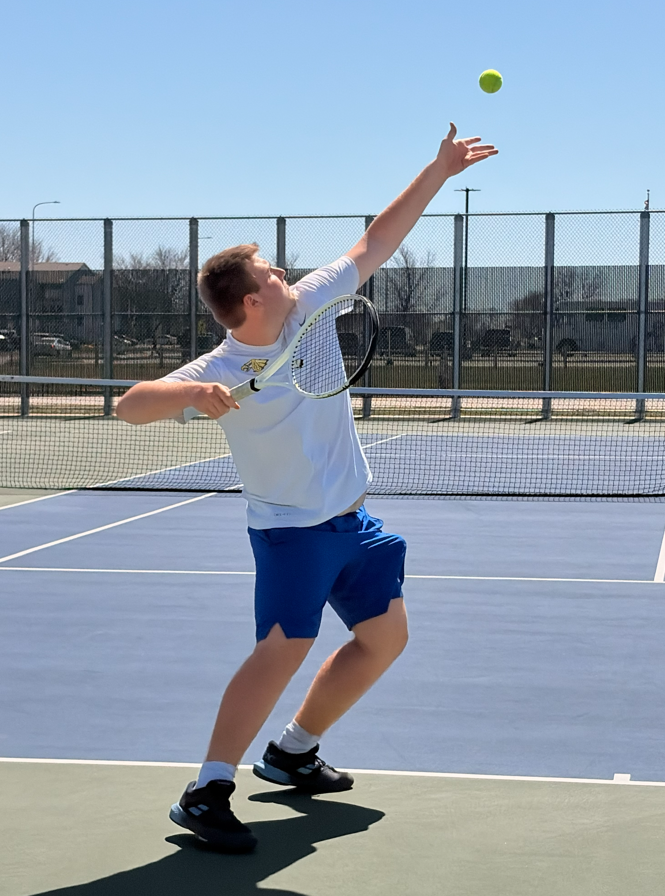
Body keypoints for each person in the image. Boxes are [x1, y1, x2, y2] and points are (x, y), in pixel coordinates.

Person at [116, 123, 497, 853]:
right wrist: (189, 398)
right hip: (290, 533)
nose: (286, 275)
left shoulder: (313, 304)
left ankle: (293, 751)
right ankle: (206, 790)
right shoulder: (220, 368)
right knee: (280, 651)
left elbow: (374, 243)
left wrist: (437, 171)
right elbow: (130, 405)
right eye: (272, 276)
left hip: (353, 522)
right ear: (251, 303)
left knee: (385, 638)